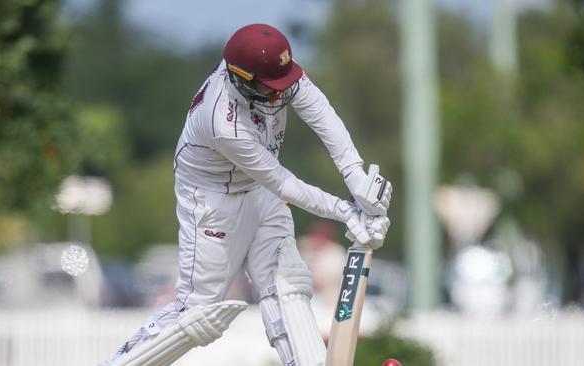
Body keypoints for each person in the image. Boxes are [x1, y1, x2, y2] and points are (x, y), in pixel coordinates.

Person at [103, 23, 392, 366]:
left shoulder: (273, 72)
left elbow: (323, 116)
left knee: (289, 285)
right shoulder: (222, 121)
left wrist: (355, 177)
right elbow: (282, 182)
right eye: (272, 89)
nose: (282, 94)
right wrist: (346, 211)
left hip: (258, 189)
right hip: (213, 199)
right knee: (199, 315)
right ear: (241, 78)